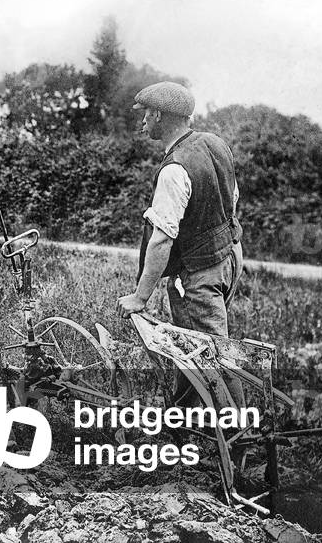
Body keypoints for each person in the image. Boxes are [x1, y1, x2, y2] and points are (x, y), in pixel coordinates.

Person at [115, 81, 245, 410]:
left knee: (214, 355)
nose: (143, 121)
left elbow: (161, 239)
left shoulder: (174, 170)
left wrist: (140, 297)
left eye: (146, 115)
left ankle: (240, 440)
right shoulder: (214, 144)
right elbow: (232, 200)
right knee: (191, 343)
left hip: (202, 272)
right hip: (230, 256)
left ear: (158, 115)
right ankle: (186, 419)